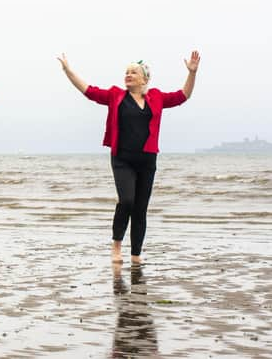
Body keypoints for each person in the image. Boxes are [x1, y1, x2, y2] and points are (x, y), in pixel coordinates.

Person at [57, 51, 200, 263]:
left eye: (133, 72)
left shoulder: (157, 97)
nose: (128, 75)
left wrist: (192, 73)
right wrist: (68, 70)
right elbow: (88, 91)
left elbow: (183, 96)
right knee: (126, 200)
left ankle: (136, 255)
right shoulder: (116, 95)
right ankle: (116, 245)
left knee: (140, 208)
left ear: (145, 79)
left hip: (147, 160)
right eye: (126, 72)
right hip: (122, 158)